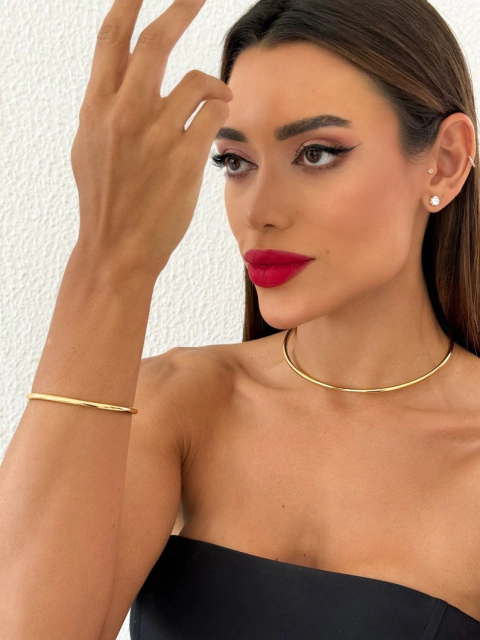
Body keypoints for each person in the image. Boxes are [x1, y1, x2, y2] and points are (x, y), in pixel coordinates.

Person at [1, 0, 479, 638]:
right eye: (235, 161)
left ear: (444, 160)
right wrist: (109, 257)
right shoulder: (174, 407)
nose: (260, 211)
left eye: (316, 153)